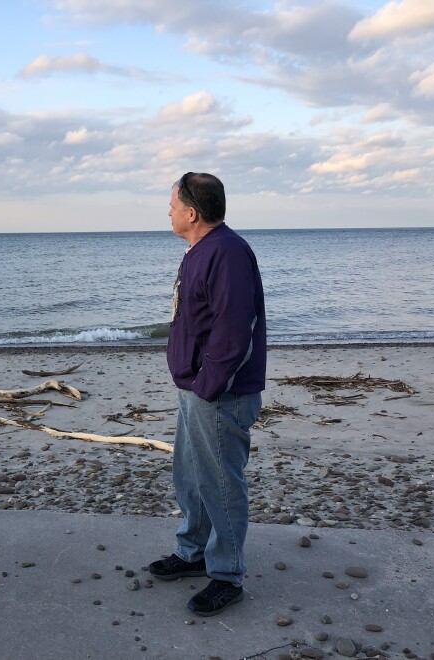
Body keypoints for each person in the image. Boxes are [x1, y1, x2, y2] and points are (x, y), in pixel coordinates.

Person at [148, 172, 266, 617]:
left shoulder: (228, 253)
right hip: (194, 388)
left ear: (192, 213)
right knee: (191, 475)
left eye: (173, 205)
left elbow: (235, 332)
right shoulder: (200, 250)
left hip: (220, 393)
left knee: (220, 483)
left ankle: (227, 575)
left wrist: (208, 386)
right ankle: (193, 550)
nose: (169, 212)